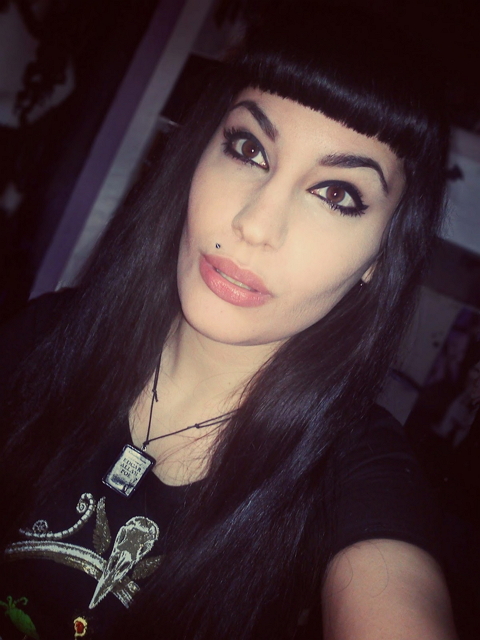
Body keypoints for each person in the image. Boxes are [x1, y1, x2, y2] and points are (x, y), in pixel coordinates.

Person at [0, 6, 458, 639]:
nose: (255, 225)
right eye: (249, 149)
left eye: (336, 194)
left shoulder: (353, 468)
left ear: (381, 257)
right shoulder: (47, 336)